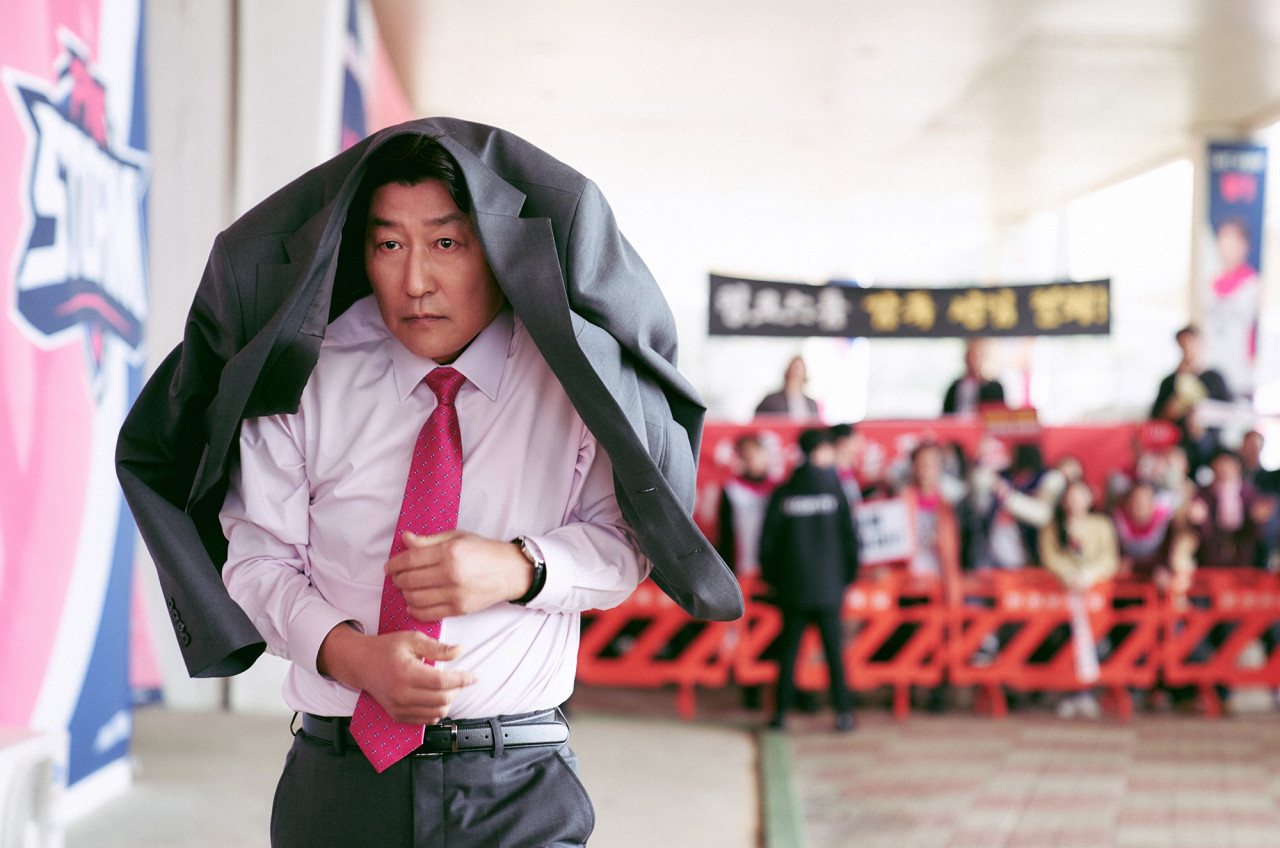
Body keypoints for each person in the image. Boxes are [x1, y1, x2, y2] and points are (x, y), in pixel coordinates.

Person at [116, 120, 744, 846]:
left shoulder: (574, 377)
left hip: (516, 785)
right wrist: (355, 657)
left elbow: (626, 543)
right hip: (339, 783)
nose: (414, 281)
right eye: (388, 245)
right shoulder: (301, 373)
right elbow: (258, 563)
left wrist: (519, 567)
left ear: (498, 249)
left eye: (446, 243)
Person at [758, 428, 859, 732]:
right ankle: (844, 714)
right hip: (830, 587)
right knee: (834, 655)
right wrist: (846, 578)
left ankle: (780, 715)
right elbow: (850, 538)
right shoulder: (836, 490)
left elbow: (768, 542)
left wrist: (774, 580)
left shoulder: (785, 490)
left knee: (788, 654)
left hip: (792, 588)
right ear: (818, 452)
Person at [1038, 479, 1119, 719]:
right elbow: (1050, 556)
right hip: (1063, 594)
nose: (1075, 501)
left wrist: (1089, 576)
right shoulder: (1053, 526)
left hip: (1095, 594)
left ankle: (1086, 693)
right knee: (1065, 642)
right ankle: (1069, 692)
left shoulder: (1101, 525)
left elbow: (1110, 558)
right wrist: (1069, 575)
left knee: (1095, 642)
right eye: (1071, 497)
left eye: (1080, 496)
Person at [1151, 325, 1231, 475]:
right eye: (1183, 344)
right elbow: (1155, 418)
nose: (1187, 349)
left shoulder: (1214, 379)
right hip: (1179, 445)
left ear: (1200, 343)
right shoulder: (1169, 382)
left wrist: (1202, 421)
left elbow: (1228, 412)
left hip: (1211, 444)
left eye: (1190, 343)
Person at [715, 432, 777, 578]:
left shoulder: (779, 491)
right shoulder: (732, 490)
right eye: (746, 454)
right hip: (743, 568)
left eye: (757, 452)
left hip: (773, 570)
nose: (753, 458)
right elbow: (725, 533)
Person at [941, 338, 1005, 416]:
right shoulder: (954, 387)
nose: (973, 360)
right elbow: (945, 414)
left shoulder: (995, 388)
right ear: (965, 358)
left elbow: (999, 414)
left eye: (977, 356)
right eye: (971, 356)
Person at [754, 355, 821, 420]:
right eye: (795, 368)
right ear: (788, 371)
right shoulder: (771, 400)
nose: (796, 372)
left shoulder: (812, 404)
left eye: (800, 369)